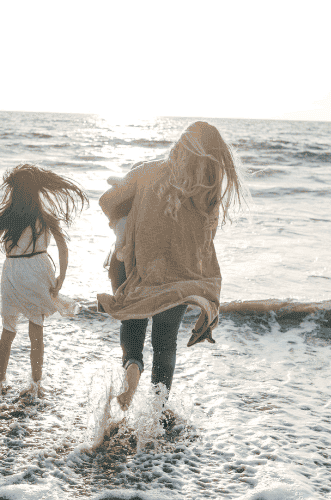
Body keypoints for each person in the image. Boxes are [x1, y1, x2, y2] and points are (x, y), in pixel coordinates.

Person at [97, 121, 247, 411]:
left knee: (133, 321)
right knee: (165, 345)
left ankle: (132, 365)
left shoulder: (147, 171)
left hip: (138, 268)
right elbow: (204, 241)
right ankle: (157, 411)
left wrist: (130, 210)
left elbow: (107, 201)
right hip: (179, 281)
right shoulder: (207, 194)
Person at [0, 164, 87, 395]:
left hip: (14, 271)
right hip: (39, 268)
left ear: (14, 191)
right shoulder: (46, 216)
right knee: (36, 331)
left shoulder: (7, 217)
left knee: (8, 330)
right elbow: (63, 248)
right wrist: (62, 275)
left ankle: (0, 382)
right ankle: (36, 384)